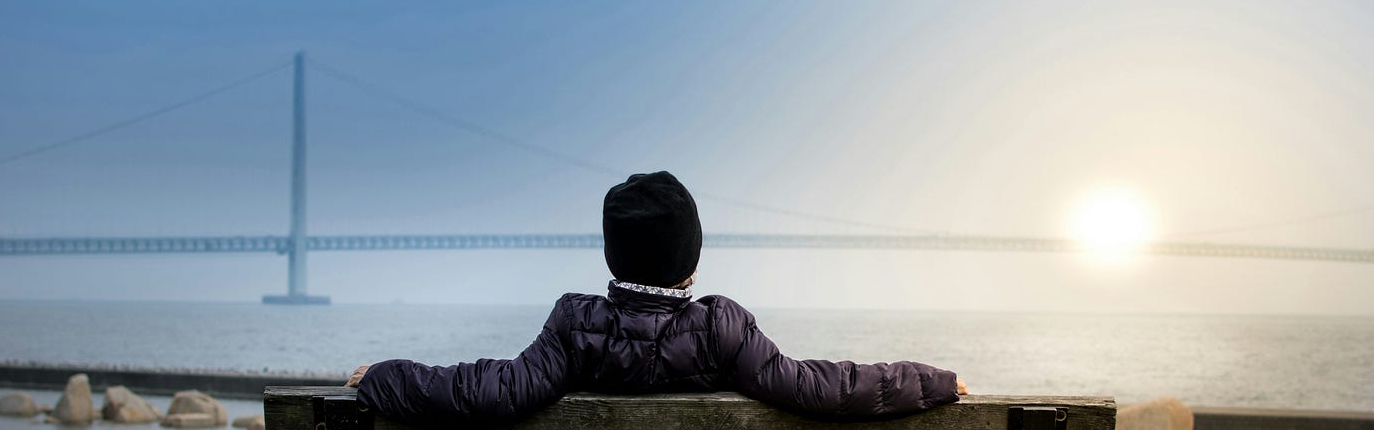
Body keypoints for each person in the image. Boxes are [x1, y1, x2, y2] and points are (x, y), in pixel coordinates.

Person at [345, 171, 966, 426]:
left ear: (613, 255)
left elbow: (489, 390)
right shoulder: (722, 326)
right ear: (691, 261)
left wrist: (385, 376)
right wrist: (932, 380)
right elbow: (818, 386)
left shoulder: (575, 324)